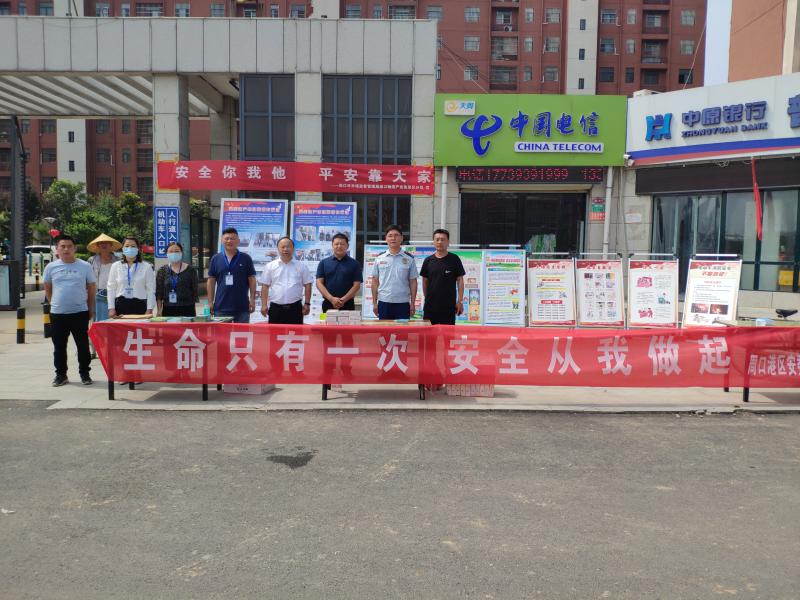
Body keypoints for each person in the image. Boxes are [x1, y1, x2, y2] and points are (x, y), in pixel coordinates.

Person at [43, 234, 96, 386]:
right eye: (63, 246)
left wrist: (90, 308)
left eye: (69, 246)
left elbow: (91, 287)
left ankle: (85, 373)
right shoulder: (51, 267)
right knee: (59, 346)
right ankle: (61, 375)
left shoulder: (84, 266)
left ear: (75, 248)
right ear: (57, 249)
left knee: (83, 345)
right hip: (58, 314)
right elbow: (47, 286)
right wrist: (53, 303)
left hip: (79, 312)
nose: (66, 249)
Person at [207, 227, 257, 323]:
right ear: (222, 240)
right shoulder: (215, 259)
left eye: (232, 239)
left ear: (238, 241)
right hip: (221, 307)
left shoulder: (246, 258)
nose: (229, 241)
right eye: (227, 238)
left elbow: (252, 280)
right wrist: (210, 302)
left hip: (242, 307)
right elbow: (211, 282)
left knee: (241, 332)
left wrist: (252, 300)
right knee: (222, 333)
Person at [259, 236, 313, 324]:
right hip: (275, 308)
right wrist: (264, 305)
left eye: (288, 246)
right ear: (278, 248)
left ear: (293, 248)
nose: (285, 249)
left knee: (295, 332)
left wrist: (307, 304)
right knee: (274, 332)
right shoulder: (270, 266)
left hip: (295, 308)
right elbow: (265, 286)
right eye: (283, 247)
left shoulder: (302, 266)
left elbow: (308, 285)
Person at [371, 225, 418, 320]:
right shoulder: (379, 258)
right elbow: (375, 281)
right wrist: (374, 303)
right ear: (386, 239)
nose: (393, 238)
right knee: (384, 329)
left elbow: (413, 282)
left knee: (402, 329)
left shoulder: (409, 259)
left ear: (401, 238)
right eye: (390, 235)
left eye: (396, 235)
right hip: (384, 302)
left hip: (403, 303)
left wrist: (413, 303)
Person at [420, 229, 466, 325]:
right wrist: (427, 298)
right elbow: (424, 281)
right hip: (430, 307)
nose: (439, 242)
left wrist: (460, 301)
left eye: (443, 239)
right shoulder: (428, 260)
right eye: (437, 239)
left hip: (448, 307)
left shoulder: (454, 259)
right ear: (433, 242)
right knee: (429, 333)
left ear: (448, 242)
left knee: (447, 333)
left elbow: (460, 280)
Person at [107, 236, 156, 318]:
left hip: (140, 306)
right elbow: (111, 288)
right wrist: (111, 308)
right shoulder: (115, 266)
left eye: (133, 246)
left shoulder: (147, 266)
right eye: (127, 246)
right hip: (120, 305)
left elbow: (151, 290)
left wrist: (149, 309)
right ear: (122, 249)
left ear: (138, 249)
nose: (130, 248)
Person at [316, 233, 363, 313]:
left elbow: (357, 285)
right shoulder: (323, 263)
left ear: (347, 246)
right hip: (327, 304)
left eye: (342, 244)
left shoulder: (355, 264)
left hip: (348, 304)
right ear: (332, 245)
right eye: (336, 244)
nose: (339, 246)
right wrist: (331, 299)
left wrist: (343, 300)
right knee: (325, 321)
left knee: (348, 322)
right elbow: (319, 283)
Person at [155, 242, 199, 317]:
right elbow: (159, 293)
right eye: (171, 251)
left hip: (187, 308)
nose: (174, 253)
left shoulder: (191, 270)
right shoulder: (162, 271)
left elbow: (194, 291)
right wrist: (159, 310)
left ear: (181, 253)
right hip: (168, 309)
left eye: (177, 251)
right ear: (166, 253)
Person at [87, 233, 121, 322]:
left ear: (111, 245)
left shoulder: (118, 261)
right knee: (97, 320)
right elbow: (87, 280)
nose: (103, 244)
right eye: (101, 243)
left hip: (114, 294)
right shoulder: (91, 260)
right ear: (97, 246)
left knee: (114, 320)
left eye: (106, 243)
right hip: (96, 294)